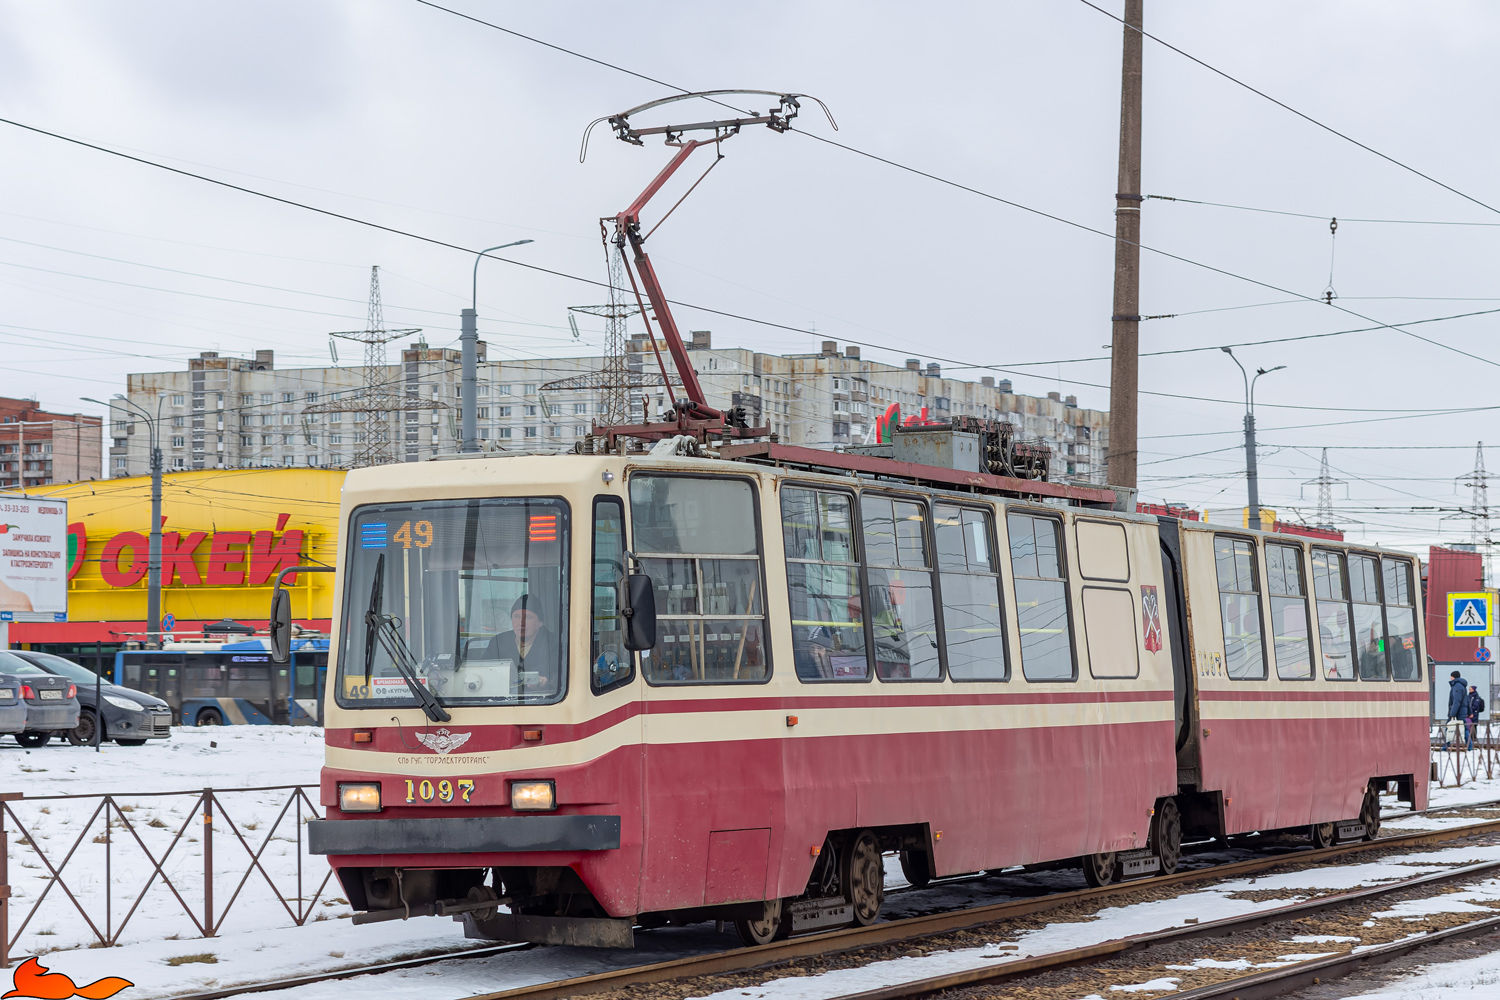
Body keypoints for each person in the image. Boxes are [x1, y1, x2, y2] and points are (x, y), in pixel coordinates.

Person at [482, 595, 561, 692]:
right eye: (516, 616)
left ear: (540, 622)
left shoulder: (553, 643)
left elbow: (561, 676)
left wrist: (546, 681)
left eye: (528, 617)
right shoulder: (499, 641)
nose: (521, 622)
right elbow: (485, 672)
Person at [1442, 670, 1469, 749]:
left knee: (1449, 727)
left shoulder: (1457, 686)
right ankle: (1469, 746)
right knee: (1464, 728)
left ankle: (1445, 746)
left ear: (1454, 677)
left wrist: (1452, 714)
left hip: (1458, 712)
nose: (1450, 678)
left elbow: (1456, 701)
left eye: (1451, 676)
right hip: (1461, 711)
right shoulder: (1461, 686)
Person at [1467, 684, 1487, 752]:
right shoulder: (1469, 696)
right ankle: (1471, 737)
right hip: (1470, 713)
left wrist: (1470, 712)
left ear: (1473, 689)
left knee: (1474, 725)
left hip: (1474, 714)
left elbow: (1475, 706)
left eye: (1470, 689)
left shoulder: (1476, 697)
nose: (1469, 690)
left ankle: (1473, 737)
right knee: (1469, 725)